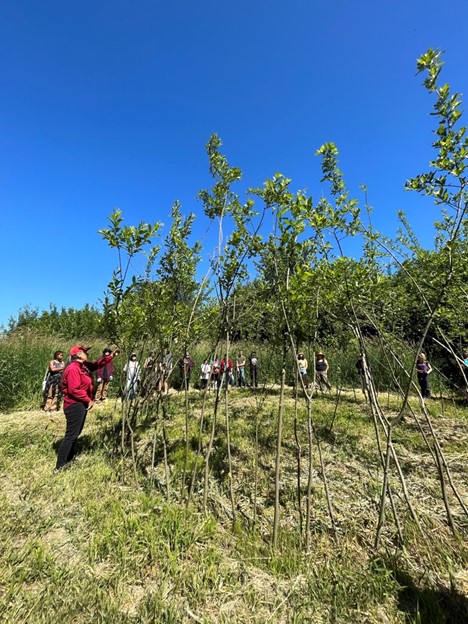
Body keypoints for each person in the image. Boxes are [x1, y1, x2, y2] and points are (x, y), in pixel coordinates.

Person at [56, 345, 120, 471]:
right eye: (85, 352)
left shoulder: (83, 366)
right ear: (79, 354)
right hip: (74, 405)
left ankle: (70, 458)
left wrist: (112, 356)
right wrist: (88, 400)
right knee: (71, 435)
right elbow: (73, 390)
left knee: (75, 434)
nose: (87, 354)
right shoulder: (73, 369)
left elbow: (97, 364)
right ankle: (60, 466)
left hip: (80, 404)